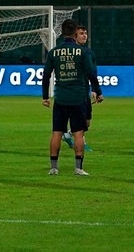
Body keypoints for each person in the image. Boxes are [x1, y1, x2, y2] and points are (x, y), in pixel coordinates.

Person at [42, 19, 102, 176]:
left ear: (61, 32)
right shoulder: (82, 52)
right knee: (78, 133)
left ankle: (54, 167)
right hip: (78, 97)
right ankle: (78, 168)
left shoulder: (53, 52)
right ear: (75, 33)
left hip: (61, 97)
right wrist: (98, 91)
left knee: (57, 132)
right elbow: (91, 74)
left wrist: (45, 97)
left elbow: (46, 75)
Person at [62, 25, 95, 152]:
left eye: (85, 33)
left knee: (87, 122)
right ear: (74, 36)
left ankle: (67, 135)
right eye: (81, 33)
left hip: (85, 90)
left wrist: (95, 89)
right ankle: (82, 143)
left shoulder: (88, 52)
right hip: (74, 92)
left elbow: (93, 72)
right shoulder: (69, 53)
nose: (84, 35)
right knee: (79, 119)